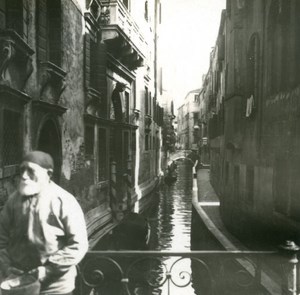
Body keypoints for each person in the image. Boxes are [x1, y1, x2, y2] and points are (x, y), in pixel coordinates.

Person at [0, 151, 89, 294]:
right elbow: (1, 239)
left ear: (48, 173)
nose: (24, 176)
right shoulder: (13, 201)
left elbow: (78, 245)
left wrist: (47, 270)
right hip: (19, 285)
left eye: (31, 170)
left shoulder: (64, 201)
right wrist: (7, 267)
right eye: (22, 170)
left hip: (55, 287)